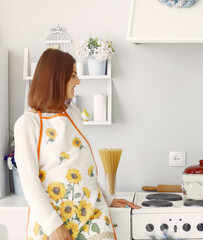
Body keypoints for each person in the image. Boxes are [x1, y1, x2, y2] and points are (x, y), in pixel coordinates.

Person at [14, 48, 140, 240]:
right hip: (55, 223)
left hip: (91, 217)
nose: (78, 81)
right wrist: (53, 226)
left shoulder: (72, 113)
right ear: (56, 78)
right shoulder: (27, 124)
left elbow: (83, 167)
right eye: (73, 75)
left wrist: (108, 198)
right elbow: (29, 182)